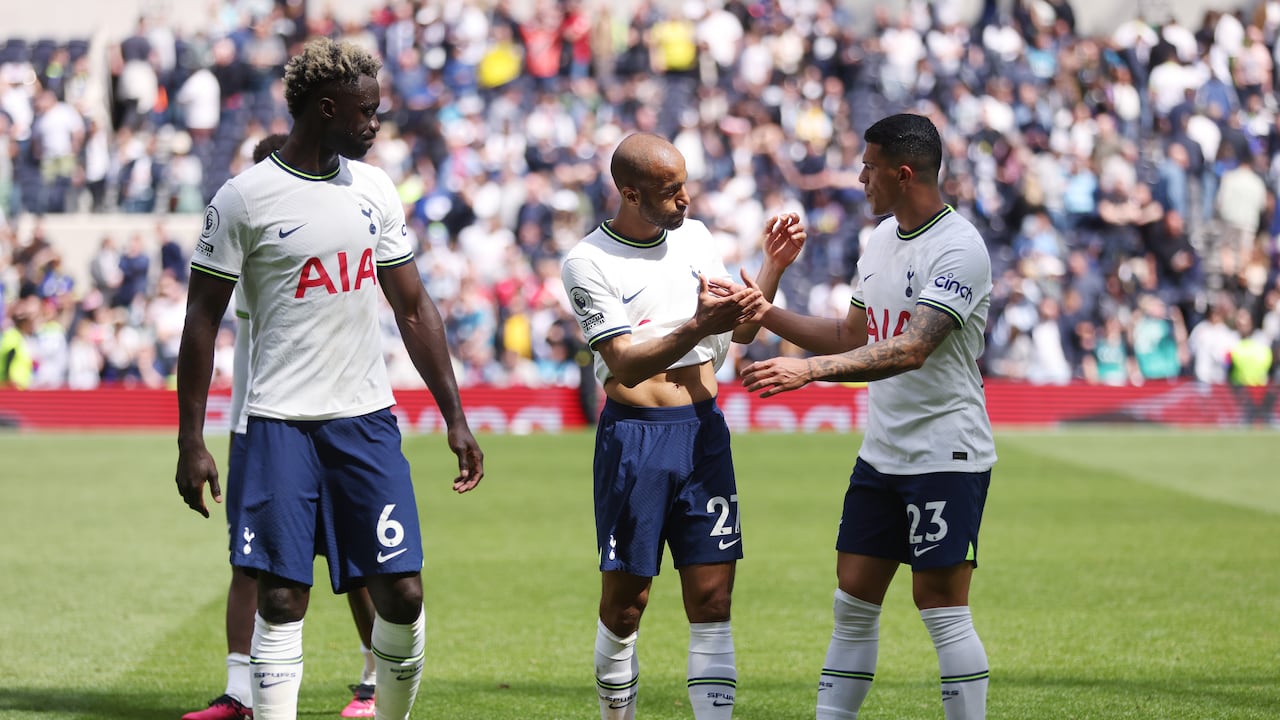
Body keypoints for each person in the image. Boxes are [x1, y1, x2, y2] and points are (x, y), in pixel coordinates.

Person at [174, 38, 485, 720]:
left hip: (365, 420)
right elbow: (200, 321)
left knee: (402, 592)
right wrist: (190, 440)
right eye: (367, 112)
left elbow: (413, 306)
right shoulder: (243, 199)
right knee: (283, 595)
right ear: (326, 108)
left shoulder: (374, 189)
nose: (377, 123)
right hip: (277, 422)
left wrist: (455, 416)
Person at [739, 113, 995, 720]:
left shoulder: (960, 248)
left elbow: (912, 348)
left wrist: (808, 372)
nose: (859, 177)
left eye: (869, 167)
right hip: (882, 454)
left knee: (939, 603)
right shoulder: (881, 239)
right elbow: (849, 333)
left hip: (945, 453)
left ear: (903, 174)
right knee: (852, 599)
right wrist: (765, 311)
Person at [560, 132, 806, 720]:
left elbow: (740, 330)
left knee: (713, 598)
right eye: (670, 192)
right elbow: (621, 359)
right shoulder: (588, 261)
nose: (685, 200)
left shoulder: (694, 238)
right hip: (635, 438)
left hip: (703, 433)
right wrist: (697, 325)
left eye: (684, 187)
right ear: (630, 194)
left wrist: (771, 269)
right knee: (626, 604)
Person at [182, 134, 381, 720]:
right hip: (256, 423)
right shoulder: (245, 236)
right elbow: (202, 324)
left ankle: (372, 679)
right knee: (251, 560)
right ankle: (240, 694)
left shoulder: (315, 235)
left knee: (358, 561)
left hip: (330, 420)